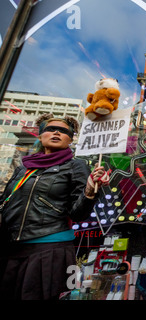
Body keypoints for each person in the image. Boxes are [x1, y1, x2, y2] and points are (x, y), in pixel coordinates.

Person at [0, 113, 109, 300]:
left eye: (64, 131)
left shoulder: (76, 166)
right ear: (41, 135)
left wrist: (90, 188)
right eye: (50, 129)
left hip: (49, 250)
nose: (56, 132)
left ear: (70, 139)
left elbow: (78, 214)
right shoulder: (23, 168)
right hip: (10, 249)